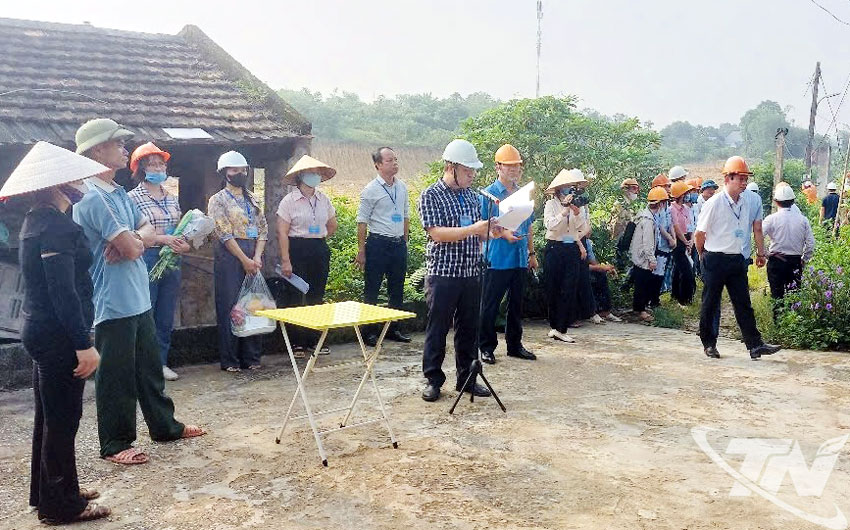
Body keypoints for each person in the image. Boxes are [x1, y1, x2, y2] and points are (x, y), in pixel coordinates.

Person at [73, 118, 204, 465]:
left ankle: (165, 426)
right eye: (118, 144)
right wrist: (133, 241)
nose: (124, 149)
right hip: (112, 301)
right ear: (98, 150)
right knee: (115, 375)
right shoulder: (91, 198)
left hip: (136, 295)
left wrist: (134, 237)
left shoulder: (115, 192)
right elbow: (133, 249)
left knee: (148, 368)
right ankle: (115, 442)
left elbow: (142, 231)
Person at [0, 142, 111, 524]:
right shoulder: (57, 226)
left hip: (38, 327)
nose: (81, 183)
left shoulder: (36, 220)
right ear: (59, 185)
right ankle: (60, 506)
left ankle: (49, 490)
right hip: (58, 334)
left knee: (50, 416)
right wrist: (85, 345)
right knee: (63, 419)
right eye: (74, 179)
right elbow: (63, 292)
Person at [417, 139, 515, 402]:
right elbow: (437, 234)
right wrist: (473, 229)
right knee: (438, 328)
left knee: (468, 328)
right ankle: (433, 380)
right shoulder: (431, 195)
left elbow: (479, 236)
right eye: (468, 170)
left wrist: (494, 232)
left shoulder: (473, 197)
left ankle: (466, 378)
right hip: (443, 272)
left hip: (471, 272)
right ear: (451, 167)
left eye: (474, 171)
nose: (473, 175)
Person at [694, 155, 781, 360]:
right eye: (740, 179)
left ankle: (755, 345)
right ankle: (709, 343)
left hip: (736, 259)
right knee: (710, 302)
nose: (744, 183)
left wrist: (758, 253)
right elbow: (699, 234)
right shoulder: (714, 203)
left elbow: (755, 228)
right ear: (727, 179)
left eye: (745, 179)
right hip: (714, 258)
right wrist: (702, 255)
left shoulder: (746, 203)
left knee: (743, 303)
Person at [128, 143, 190, 381]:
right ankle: (142, 365)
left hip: (172, 258)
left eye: (161, 164)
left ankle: (160, 362)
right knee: (146, 310)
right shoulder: (132, 198)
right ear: (141, 169)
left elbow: (181, 228)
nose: (158, 168)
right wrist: (163, 239)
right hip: (147, 256)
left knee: (165, 313)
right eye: (152, 164)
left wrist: (183, 243)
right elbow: (132, 233)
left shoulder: (171, 198)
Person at [208, 150, 268, 372]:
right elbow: (223, 233)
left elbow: (263, 229)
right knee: (231, 306)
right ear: (225, 173)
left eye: (243, 170)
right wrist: (244, 259)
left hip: (254, 253)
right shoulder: (218, 200)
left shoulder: (253, 198)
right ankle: (230, 359)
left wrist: (256, 257)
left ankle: (252, 357)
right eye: (235, 170)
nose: (240, 173)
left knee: (253, 305)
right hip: (230, 256)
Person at [478, 144, 537, 364]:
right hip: (497, 257)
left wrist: (532, 253)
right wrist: (504, 234)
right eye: (509, 166)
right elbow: (483, 226)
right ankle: (486, 346)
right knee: (490, 303)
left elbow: (528, 225)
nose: (514, 170)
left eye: (517, 166)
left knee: (516, 304)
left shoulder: (522, 193)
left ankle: (515, 345)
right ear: (498, 167)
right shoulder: (488, 194)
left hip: (519, 257)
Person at [277, 155, 338, 356]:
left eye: (317, 173)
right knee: (295, 296)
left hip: (318, 248)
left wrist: (318, 238)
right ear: (301, 176)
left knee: (316, 295)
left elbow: (332, 224)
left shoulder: (324, 199)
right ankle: (296, 343)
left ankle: (314, 341)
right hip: (296, 248)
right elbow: (282, 232)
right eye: (311, 173)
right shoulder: (289, 201)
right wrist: (286, 259)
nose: (315, 176)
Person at [355, 147, 411, 347]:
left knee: (396, 288)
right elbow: (362, 222)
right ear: (378, 165)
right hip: (378, 243)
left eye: (395, 159)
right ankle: (368, 332)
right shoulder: (370, 190)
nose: (394, 163)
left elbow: (405, 215)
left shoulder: (402, 187)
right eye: (389, 160)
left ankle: (394, 328)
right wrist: (361, 251)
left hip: (398, 244)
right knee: (372, 289)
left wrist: (405, 240)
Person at [543, 169, 589, 342]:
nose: (569, 189)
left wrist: (576, 211)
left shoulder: (577, 204)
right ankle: (554, 326)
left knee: (569, 287)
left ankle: (562, 328)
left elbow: (580, 227)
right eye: (565, 186)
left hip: (571, 248)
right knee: (553, 288)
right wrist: (564, 210)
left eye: (571, 186)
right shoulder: (551, 204)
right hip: (554, 247)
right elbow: (550, 225)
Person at [762, 184, 815, 302]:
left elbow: (758, 236)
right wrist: (804, 260)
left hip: (776, 261)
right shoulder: (803, 220)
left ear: (776, 202)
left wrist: (765, 254)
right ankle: (793, 320)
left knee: (776, 297)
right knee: (794, 298)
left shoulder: (771, 219)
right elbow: (811, 243)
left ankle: (778, 320)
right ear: (793, 201)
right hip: (795, 262)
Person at [630, 186, 667, 322]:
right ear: (660, 203)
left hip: (641, 256)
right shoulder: (647, 220)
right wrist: (651, 259)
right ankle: (640, 310)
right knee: (642, 283)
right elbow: (647, 243)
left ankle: (641, 307)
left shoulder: (648, 217)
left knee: (643, 282)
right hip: (642, 257)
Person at [669, 180, 697, 305]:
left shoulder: (685, 208)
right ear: (680, 195)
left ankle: (675, 295)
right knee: (686, 271)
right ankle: (684, 299)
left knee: (678, 269)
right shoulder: (672, 209)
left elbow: (689, 225)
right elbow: (676, 227)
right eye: (686, 193)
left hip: (686, 240)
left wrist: (691, 240)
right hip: (678, 241)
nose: (688, 195)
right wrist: (685, 242)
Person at [650, 173, 676, 301]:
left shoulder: (666, 205)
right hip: (658, 244)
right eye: (666, 186)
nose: (668, 188)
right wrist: (670, 238)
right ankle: (653, 299)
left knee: (662, 271)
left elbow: (670, 223)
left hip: (666, 244)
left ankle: (656, 297)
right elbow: (659, 226)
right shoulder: (655, 206)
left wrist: (673, 238)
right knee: (656, 273)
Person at [584, 239, 622, 322]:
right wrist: (599, 267)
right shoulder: (573, 240)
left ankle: (604, 311)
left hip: (587, 269)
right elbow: (580, 266)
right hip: (577, 271)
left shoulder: (587, 242)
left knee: (601, 275)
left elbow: (593, 262)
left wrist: (605, 268)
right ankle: (591, 313)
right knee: (588, 279)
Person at [611, 178, 640, 270]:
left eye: (637, 188)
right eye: (634, 188)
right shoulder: (619, 204)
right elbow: (617, 226)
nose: (636, 191)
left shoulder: (630, 205)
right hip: (620, 241)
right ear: (625, 189)